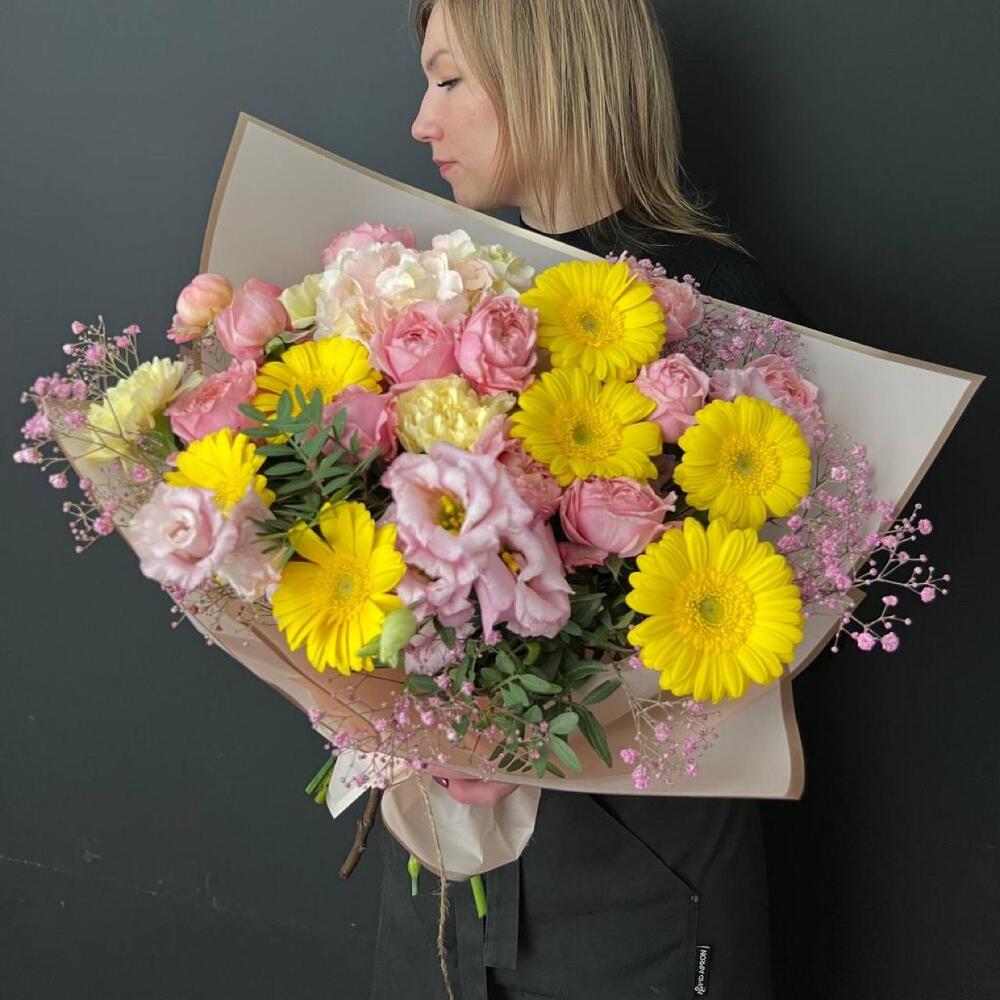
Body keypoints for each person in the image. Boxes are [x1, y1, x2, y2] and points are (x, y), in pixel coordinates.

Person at [368, 2, 809, 998]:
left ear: (545, 72)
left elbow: (759, 619)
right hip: (445, 886)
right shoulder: (449, 294)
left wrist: (522, 734)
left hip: (635, 893)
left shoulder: (721, 308)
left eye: (449, 78)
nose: (421, 121)